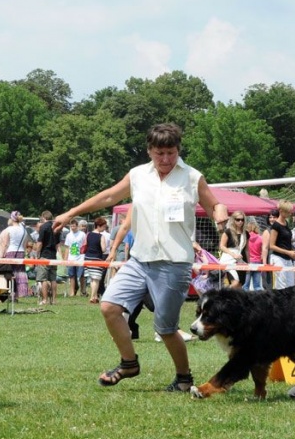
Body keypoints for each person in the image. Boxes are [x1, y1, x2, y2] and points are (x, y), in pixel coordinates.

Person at [54, 123, 228, 391]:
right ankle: (128, 363)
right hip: (139, 260)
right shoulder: (137, 175)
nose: (166, 159)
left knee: (165, 328)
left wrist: (219, 212)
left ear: (178, 150)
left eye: (171, 153)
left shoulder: (192, 177)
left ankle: (183, 378)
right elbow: (109, 195)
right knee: (109, 306)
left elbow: (214, 203)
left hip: (174, 262)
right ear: (149, 151)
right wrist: (71, 213)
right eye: (160, 153)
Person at [0, 210, 30, 301]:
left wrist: (1, 255)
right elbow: (25, 244)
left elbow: (5, 244)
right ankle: (16, 295)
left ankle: (7, 293)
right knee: (19, 274)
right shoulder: (24, 231)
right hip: (21, 253)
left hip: (10, 252)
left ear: (12, 219)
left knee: (9, 274)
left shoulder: (8, 230)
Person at [268, 201, 295, 289]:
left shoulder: (286, 223)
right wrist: (288, 252)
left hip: (287, 258)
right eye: (288, 211)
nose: (290, 214)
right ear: (281, 211)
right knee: (281, 286)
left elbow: (285, 241)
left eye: (290, 211)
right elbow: (272, 246)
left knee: (291, 285)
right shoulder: (276, 225)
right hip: (278, 258)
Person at [34, 210, 59, 306]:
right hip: (53, 256)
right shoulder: (56, 228)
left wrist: (37, 254)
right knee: (53, 279)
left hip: (45, 255)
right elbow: (57, 244)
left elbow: (40, 242)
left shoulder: (43, 227)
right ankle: (54, 300)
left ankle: (44, 300)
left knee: (43, 279)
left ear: (43, 217)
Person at [218, 212, 247, 288]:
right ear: (233, 220)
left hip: (241, 260)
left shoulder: (245, 233)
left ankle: (232, 298)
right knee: (235, 282)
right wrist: (232, 254)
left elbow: (247, 249)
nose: (240, 221)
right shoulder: (228, 231)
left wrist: (249, 263)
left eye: (242, 219)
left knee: (240, 285)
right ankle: (222, 293)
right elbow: (222, 246)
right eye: (238, 220)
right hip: (229, 260)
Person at [84, 217, 109, 303]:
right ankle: (92, 297)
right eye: (104, 227)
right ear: (99, 226)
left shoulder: (88, 234)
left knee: (92, 279)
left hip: (87, 257)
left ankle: (95, 296)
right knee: (96, 279)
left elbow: (86, 245)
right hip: (97, 258)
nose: (104, 228)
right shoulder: (101, 236)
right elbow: (103, 249)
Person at [64, 219, 86, 297]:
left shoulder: (82, 234)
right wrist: (65, 259)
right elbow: (67, 247)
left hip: (80, 257)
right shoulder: (68, 235)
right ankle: (72, 292)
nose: (72, 227)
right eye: (71, 226)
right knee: (72, 276)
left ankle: (83, 291)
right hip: (71, 258)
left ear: (77, 226)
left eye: (74, 226)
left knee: (81, 275)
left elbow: (85, 244)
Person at [243, 217, 263, 291]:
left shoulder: (245, 237)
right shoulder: (260, 238)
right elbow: (262, 250)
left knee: (245, 286)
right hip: (257, 262)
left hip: (248, 261)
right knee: (257, 286)